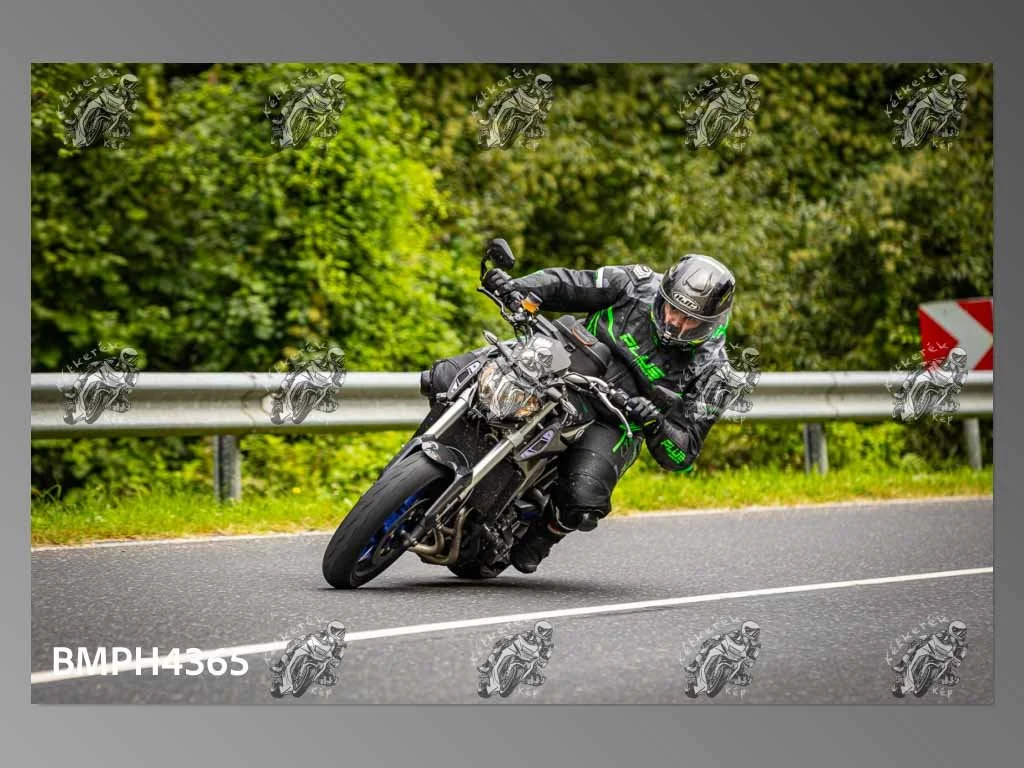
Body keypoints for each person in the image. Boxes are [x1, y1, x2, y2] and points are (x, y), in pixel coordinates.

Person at [418, 253, 738, 574]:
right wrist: (519, 288)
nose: (675, 323)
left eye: (690, 320)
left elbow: (682, 452)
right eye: (672, 309)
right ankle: (420, 452)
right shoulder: (634, 284)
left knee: (584, 495)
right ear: (663, 294)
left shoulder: (716, 373)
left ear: (712, 322)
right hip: (563, 363)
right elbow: (568, 283)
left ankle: (547, 533)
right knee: (443, 376)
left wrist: (655, 423)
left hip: (615, 420)